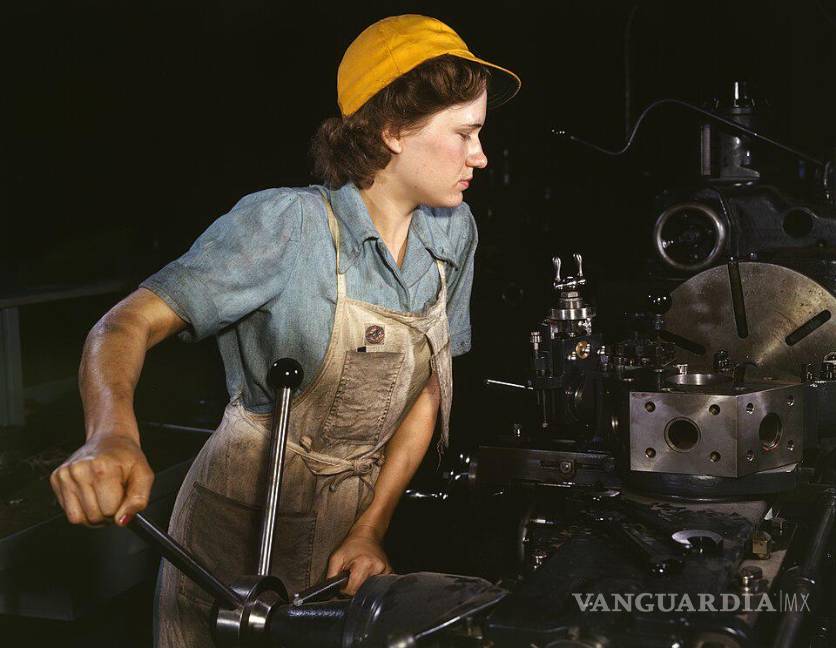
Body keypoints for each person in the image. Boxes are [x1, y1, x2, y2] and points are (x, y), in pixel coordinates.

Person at [49, 14, 520, 646]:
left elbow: (430, 388)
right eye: (464, 133)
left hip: (348, 527)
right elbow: (124, 324)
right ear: (392, 130)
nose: (480, 156)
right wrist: (110, 434)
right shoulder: (286, 226)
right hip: (238, 528)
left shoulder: (452, 232)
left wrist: (371, 528)